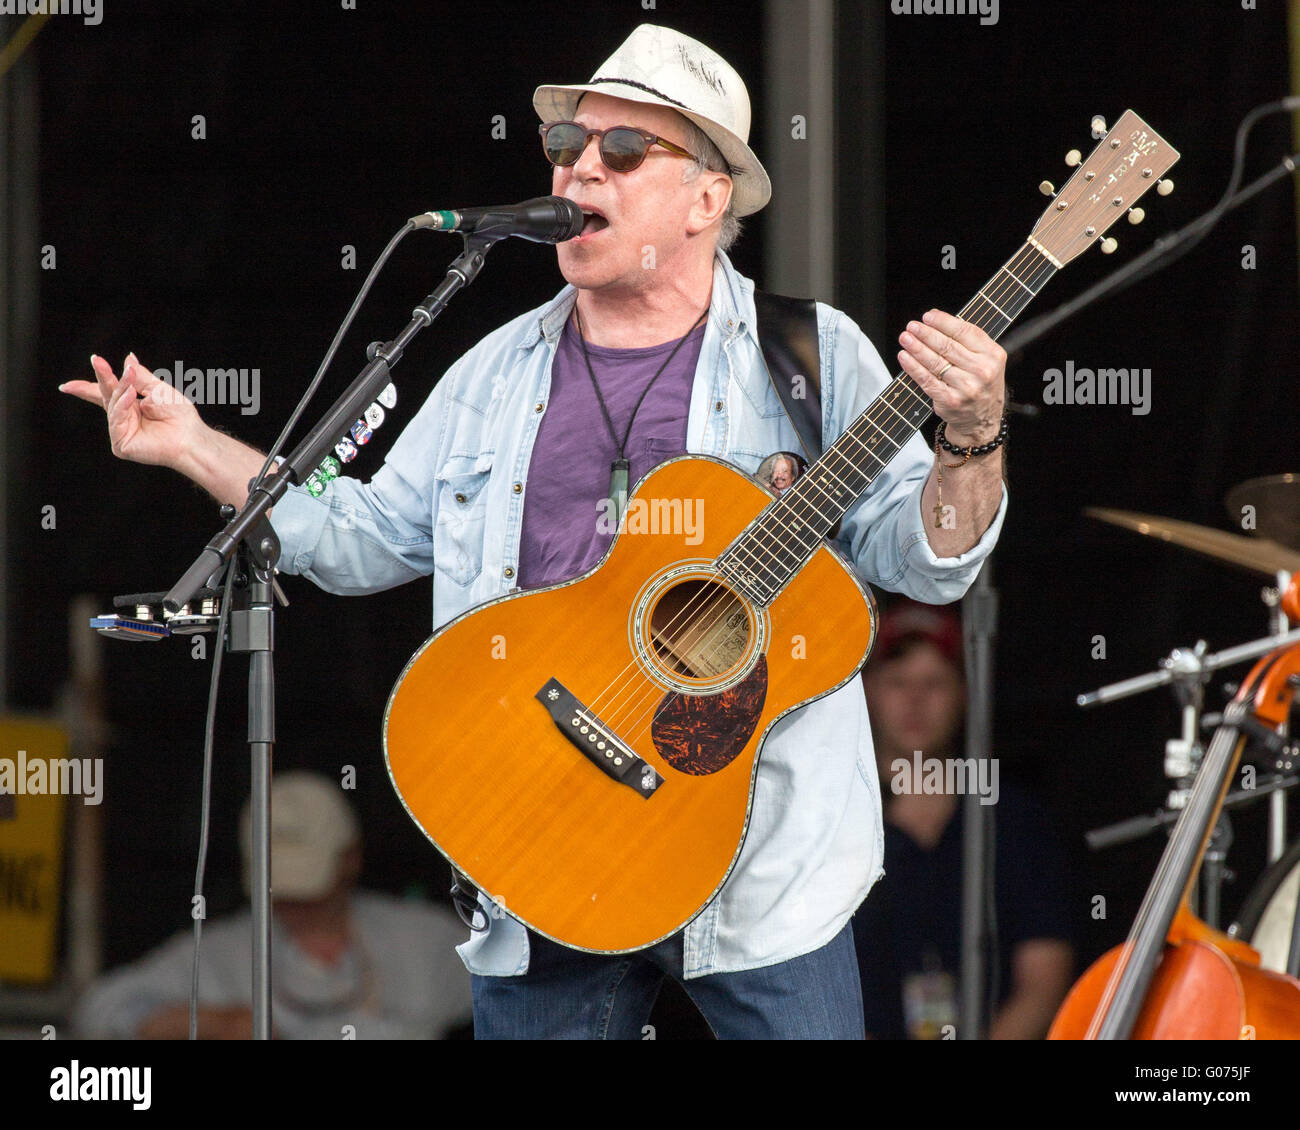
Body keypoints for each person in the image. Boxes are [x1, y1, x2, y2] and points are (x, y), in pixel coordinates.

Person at [61, 24, 1010, 1039]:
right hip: (538, 833)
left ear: (706, 196)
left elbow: (929, 564)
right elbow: (363, 536)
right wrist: (194, 442)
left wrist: (974, 438)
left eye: (622, 150)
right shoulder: (492, 371)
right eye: (566, 145)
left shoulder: (810, 357)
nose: (578, 166)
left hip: (760, 866)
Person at [72, 771, 473, 1039]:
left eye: (309, 890)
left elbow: (520, 986)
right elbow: (100, 1008)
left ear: (350, 859)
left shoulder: (423, 938)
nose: (295, 905)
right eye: (279, 889)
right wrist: (213, 1021)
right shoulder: (219, 953)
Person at [853, 599, 1074, 1039]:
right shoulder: (832, 819)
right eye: (898, 682)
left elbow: (1045, 981)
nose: (915, 701)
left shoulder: (1013, 821)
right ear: (868, 691)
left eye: (934, 683)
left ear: (966, 692)